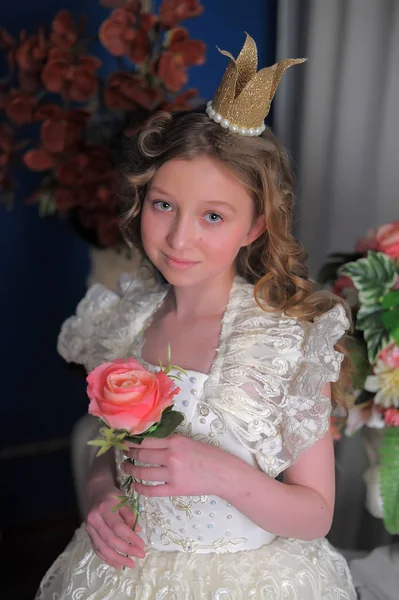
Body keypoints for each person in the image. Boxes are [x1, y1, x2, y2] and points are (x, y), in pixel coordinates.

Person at [36, 34, 357, 599]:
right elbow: (102, 441)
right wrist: (99, 492)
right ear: (142, 202)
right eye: (164, 205)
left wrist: (219, 472)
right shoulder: (127, 321)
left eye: (213, 215)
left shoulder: (285, 341)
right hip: (125, 576)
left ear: (255, 227)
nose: (180, 238)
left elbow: (315, 514)